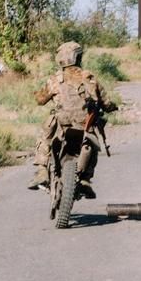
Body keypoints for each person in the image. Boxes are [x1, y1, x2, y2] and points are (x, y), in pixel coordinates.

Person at [28, 41, 117, 191]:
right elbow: (106, 103)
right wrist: (112, 107)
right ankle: (86, 179)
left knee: (45, 137)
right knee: (93, 145)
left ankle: (42, 170)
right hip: (84, 124)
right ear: (78, 57)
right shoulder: (89, 78)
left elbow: (40, 100)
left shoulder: (55, 79)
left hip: (62, 123)